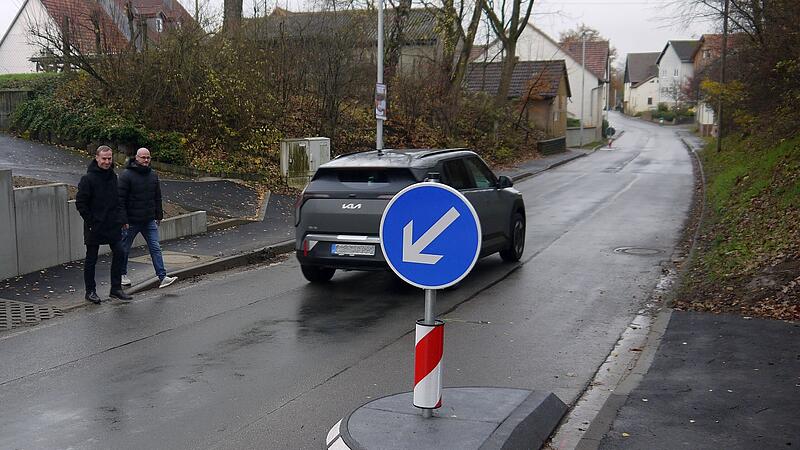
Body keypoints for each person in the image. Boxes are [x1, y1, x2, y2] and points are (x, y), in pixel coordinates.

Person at [75, 146, 133, 303]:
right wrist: (91, 221)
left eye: (109, 158)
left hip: (113, 224)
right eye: (104, 158)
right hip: (95, 225)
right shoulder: (88, 179)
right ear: (97, 158)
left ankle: (116, 289)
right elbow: (81, 203)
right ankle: (90, 291)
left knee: (120, 253)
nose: (107, 161)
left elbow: (118, 200)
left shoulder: (113, 177)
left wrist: (122, 219)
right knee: (91, 258)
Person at [118, 148, 177, 289]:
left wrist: (159, 215)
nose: (146, 160)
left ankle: (162, 277)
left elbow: (157, 196)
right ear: (136, 158)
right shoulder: (127, 175)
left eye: (148, 158)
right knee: (124, 249)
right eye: (143, 157)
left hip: (148, 219)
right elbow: (120, 199)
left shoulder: (153, 175)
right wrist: (122, 219)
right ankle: (121, 274)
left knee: (155, 247)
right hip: (131, 221)